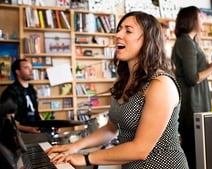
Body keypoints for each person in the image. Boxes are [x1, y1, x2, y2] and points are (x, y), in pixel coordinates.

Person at [47, 11, 189, 168]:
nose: (118, 35)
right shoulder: (125, 81)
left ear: (148, 40)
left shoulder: (161, 84)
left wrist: (86, 158)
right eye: (119, 29)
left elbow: (140, 149)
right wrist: (75, 146)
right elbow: (111, 129)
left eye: (128, 30)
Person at [171, 6, 212, 169]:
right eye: (200, 17)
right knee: (194, 153)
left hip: (196, 103)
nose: (203, 19)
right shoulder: (185, 42)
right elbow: (192, 78)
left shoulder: (190, 42)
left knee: (198, 152)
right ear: (191, 20)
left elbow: (198, 72)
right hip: (192, 105)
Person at [0, 59, 43, 133]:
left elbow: (36, 112)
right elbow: (9, 119)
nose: (31, 71)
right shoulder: (10, 92)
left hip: (36, 131)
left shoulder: (32, 90)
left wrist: (50, 125)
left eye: (31, 68)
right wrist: (28, 129)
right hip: (18, 135)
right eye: (26, 68)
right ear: (18, 72)